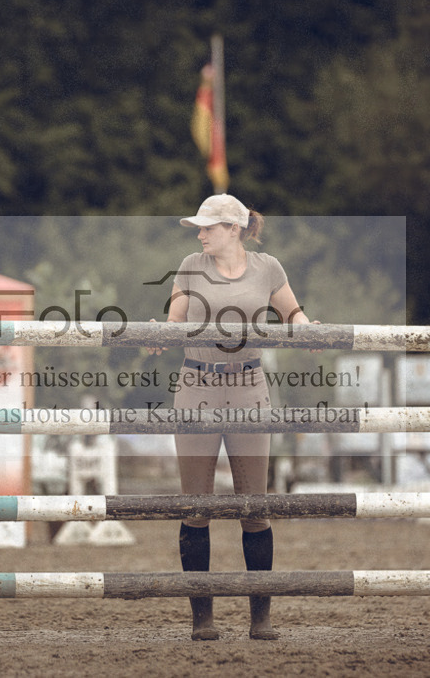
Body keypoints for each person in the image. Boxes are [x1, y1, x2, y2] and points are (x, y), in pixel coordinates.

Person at [149, 193, 317, 641]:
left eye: (207, 227)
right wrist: (157, 338)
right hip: (196, 386)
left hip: (248, 386)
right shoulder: (188, 265)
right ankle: (201, 618)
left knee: (254, 507)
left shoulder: (269, 268)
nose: (200, 233)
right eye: (199, 227)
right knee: (196, 507)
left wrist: (308, 329)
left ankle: (260, 617)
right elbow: (174, 321)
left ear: (234, 230)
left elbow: (294, 314)